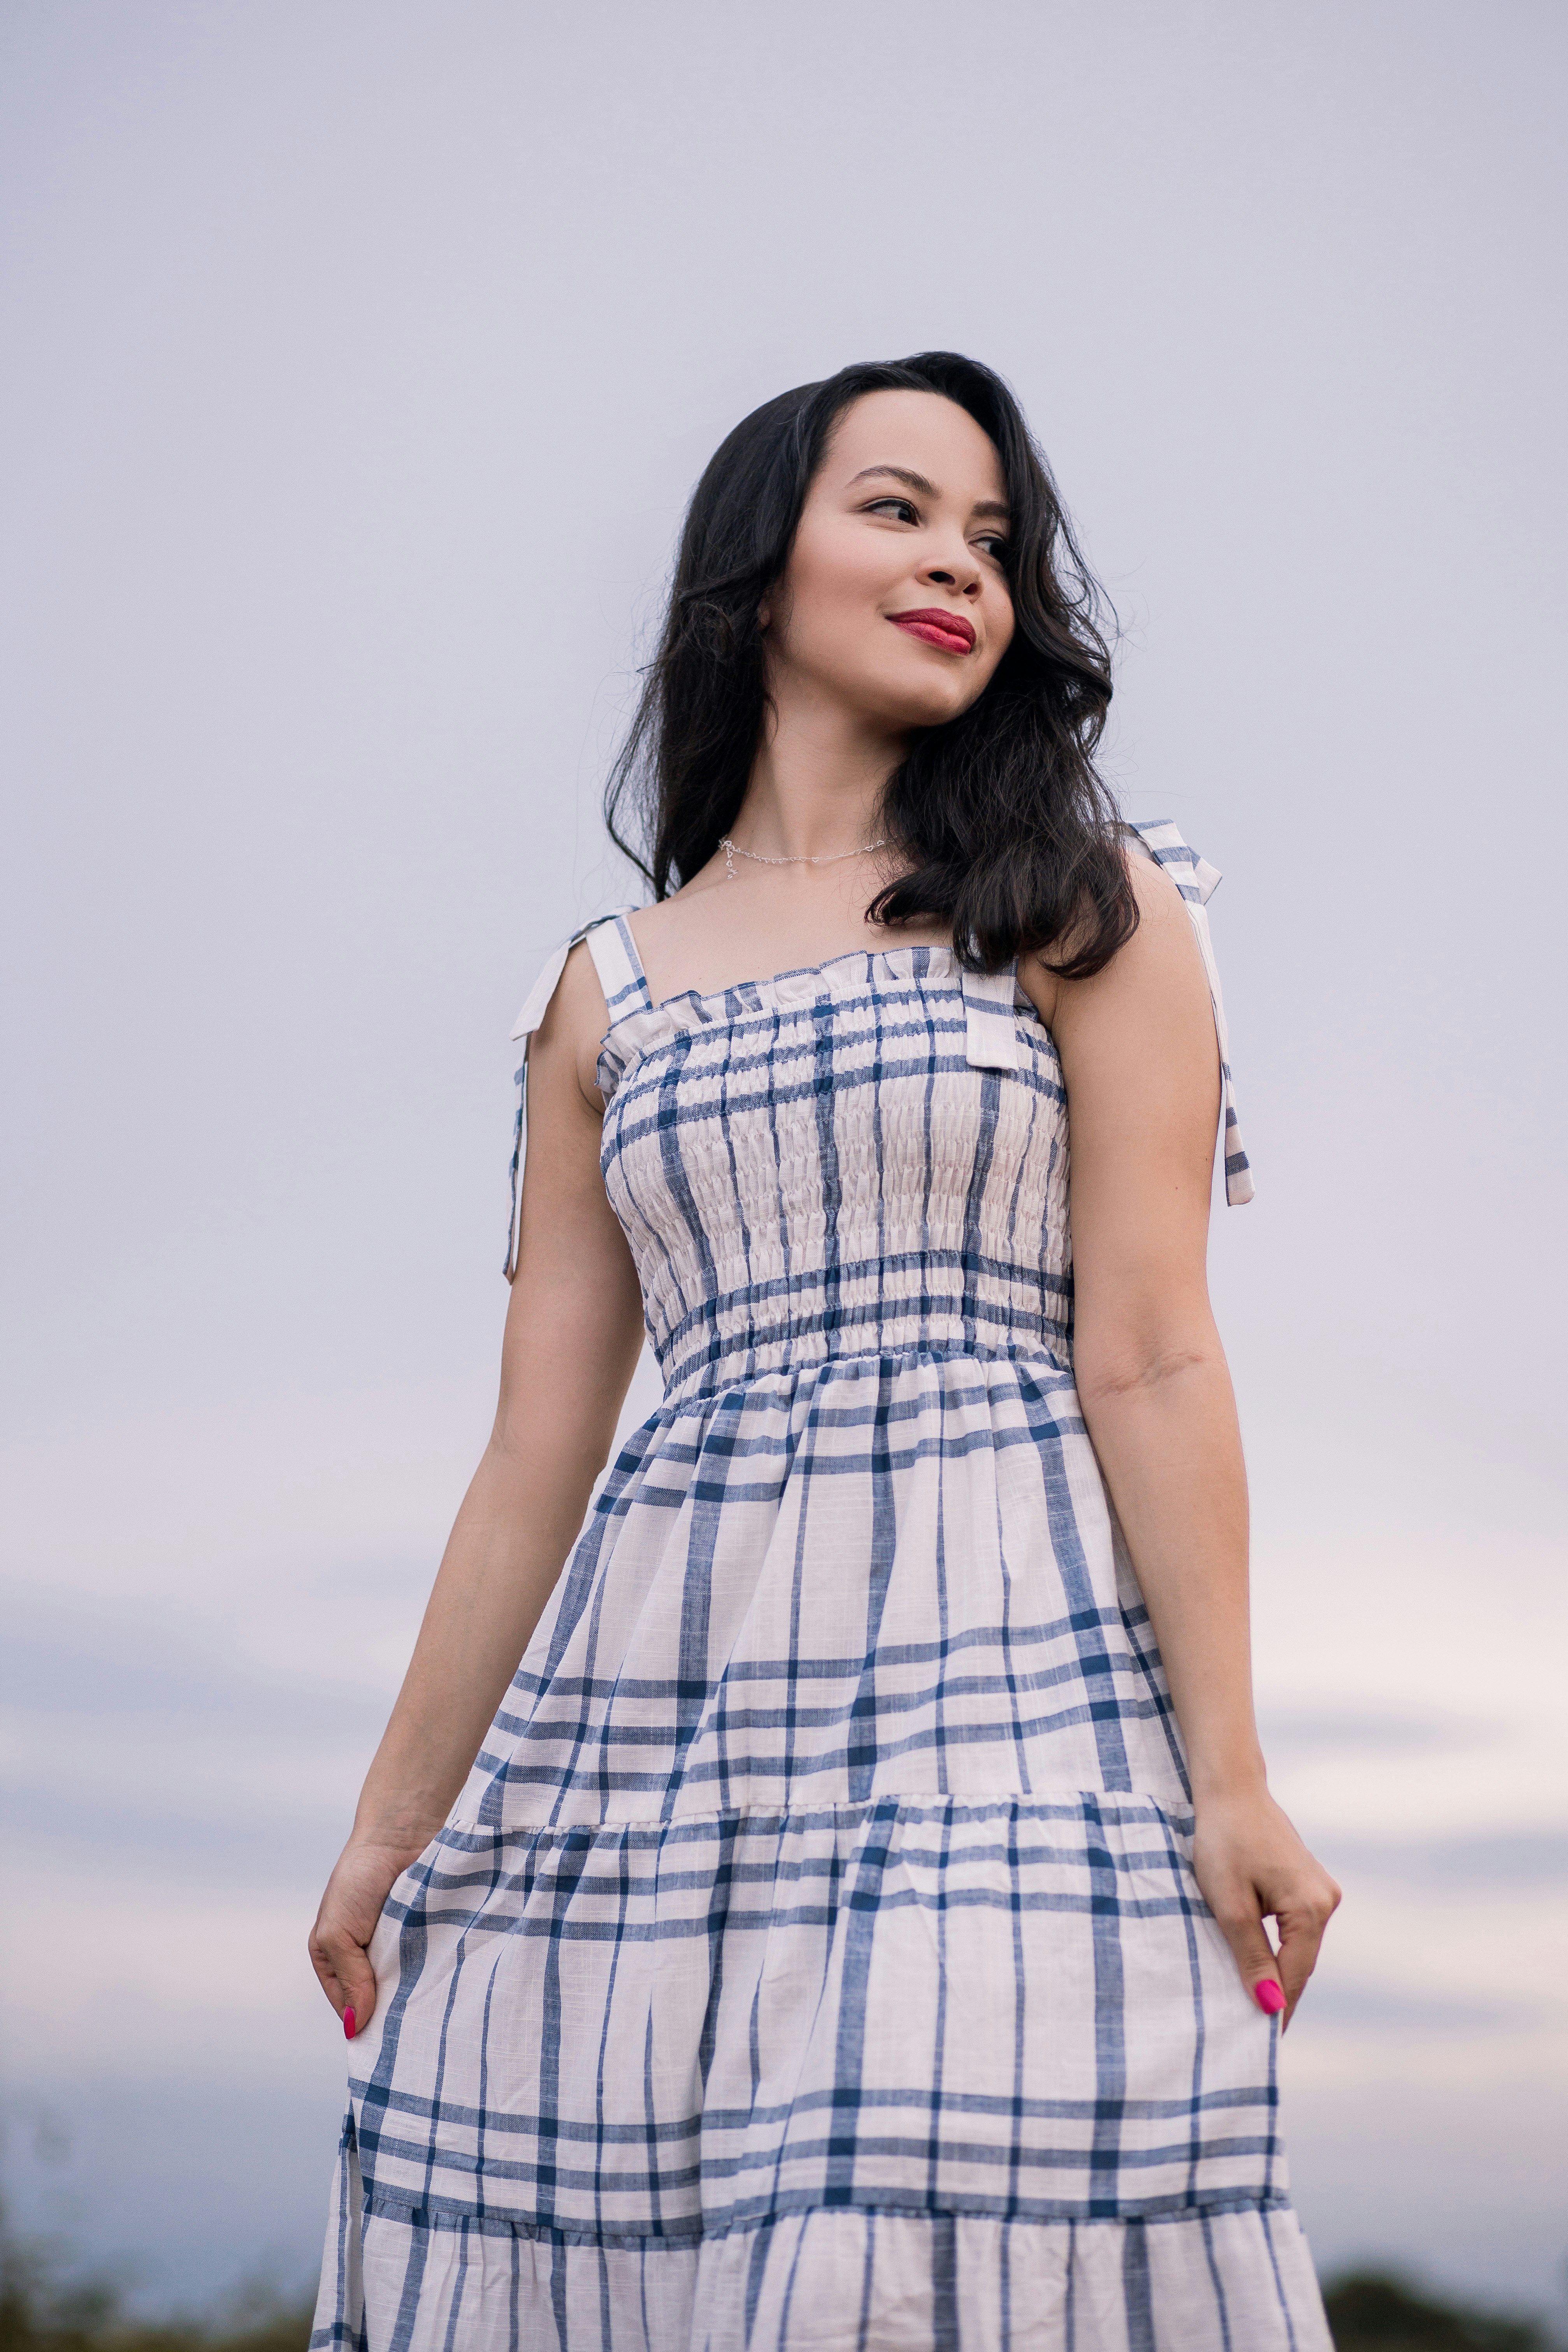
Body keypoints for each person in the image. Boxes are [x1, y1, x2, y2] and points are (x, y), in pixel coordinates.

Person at [307, 351, 1340, 2349]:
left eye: (994, 538)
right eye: (899, 508)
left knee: (947, 2216)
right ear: (755, 562)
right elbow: (535, 1453)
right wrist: (388, 1827)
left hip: (1013, 1687)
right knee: (648, 2233)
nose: (962, 562)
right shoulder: (602, 994)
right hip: (664, 1713)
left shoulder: (1085, 900)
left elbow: (1149, 1348)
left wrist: (1234, 1774)